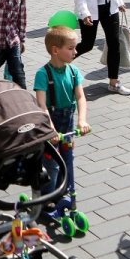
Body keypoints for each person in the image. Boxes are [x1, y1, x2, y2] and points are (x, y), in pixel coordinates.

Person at [34, 25, 91, 197]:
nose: (75, 52)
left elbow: (80, 97)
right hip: (51, 123)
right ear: (55, 50)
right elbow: (41, 105)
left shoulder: (74, 71)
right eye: (71, 48)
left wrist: (82, 120)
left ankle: (67, 193)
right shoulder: (43, 74)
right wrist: (51, 129)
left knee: (68, 159)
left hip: (67, 123)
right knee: (52, 163)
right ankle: (47, 197)